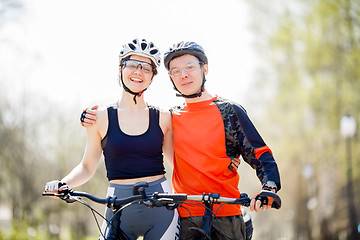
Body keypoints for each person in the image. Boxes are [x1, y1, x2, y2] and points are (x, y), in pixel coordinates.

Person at [81, 41, 281, 240]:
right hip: (185, 216)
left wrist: (268, 188)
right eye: (176, 71)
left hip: (225, 215)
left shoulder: (229, 112)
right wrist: (90, 116)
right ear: (170, 79)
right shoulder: (171, 117)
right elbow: (136, 125)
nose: (183, 75)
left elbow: (259, 153)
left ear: (205, 69)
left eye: (190, 67)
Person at [44, 38, 179, 240]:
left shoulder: (164, 117)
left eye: (146, 68)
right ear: (120, 68)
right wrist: (64, 183)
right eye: (132, 64)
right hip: (117, 209)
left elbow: (179, 164)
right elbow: (87, 167)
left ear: (153, 76)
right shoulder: (98, 118)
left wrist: (222, 163)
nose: (138, 72)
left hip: (161, 208)